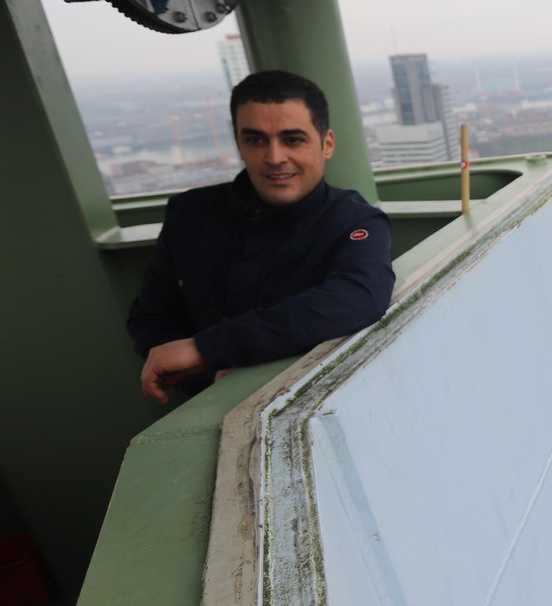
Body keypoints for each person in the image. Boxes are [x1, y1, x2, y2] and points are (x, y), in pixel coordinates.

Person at [127, 70, 395, 404]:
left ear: (326, 144)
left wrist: (207, 347)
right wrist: (210, 379)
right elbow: (152, 317)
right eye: (256, 140)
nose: (274, 158)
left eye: (292, 140)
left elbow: (360, 295)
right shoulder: (190, 213)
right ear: (239, 144)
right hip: (207, 404)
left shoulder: (354, 220)